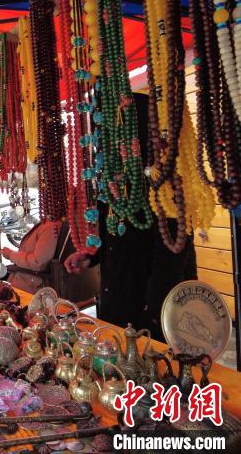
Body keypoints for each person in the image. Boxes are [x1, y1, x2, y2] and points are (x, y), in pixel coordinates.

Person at [65, 93, 197, 340]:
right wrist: (91, 257)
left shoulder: (164, 182)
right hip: (116, 297)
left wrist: (156, 310)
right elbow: (115, 232)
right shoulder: (114, 180)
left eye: (115, 133)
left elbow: (172, 255)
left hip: (151, 312)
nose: (107, 143)